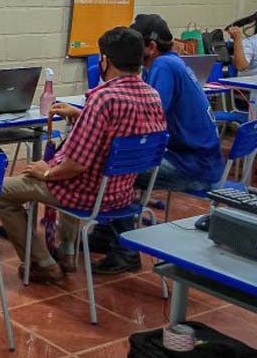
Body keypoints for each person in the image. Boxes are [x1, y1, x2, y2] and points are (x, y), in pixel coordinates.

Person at [0, 28, 166, 285]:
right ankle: (67, 253)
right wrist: (81, 114)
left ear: (105, 60)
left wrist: (47, 173)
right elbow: (121, 132)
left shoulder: (102, 99)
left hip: (85, 194)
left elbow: (76, 165)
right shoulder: (152, 96)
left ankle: (43, 263)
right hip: (122, 193)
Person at [90, 15, 225, 273]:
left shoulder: (163, 66)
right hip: (201, 159)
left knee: (113, 167)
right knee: (117, 161)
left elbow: (146, 119)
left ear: (150, 48)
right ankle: (106, 234)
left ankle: (125, 250)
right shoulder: (173, 63)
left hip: (193, 166)